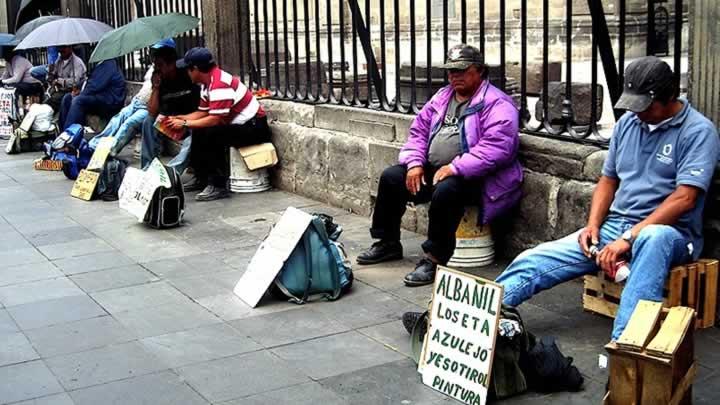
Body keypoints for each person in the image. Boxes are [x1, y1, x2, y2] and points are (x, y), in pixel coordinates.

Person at [491, 56, 719, 341]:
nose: (639, 113)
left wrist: (629, 239)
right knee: (535, 259)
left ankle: (626, 344)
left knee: (653, 237)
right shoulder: (627, 125)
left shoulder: (698, 132)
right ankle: (482, 312)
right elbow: (607, 181)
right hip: (618, 225)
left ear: (670, 96)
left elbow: (684, 198)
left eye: (645, 106)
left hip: (671, 233)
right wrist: (593, 226)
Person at [355, 44, 523, 287]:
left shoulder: (497, 104)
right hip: (438, 170)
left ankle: (434, 258)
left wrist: (456, 167)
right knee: (392, 177)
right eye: (451, 71)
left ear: (479, 71)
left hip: (480, 178)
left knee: (447, 191)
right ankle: (387, 242)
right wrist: (414, 163)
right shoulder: (442, 97)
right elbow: (418, 132)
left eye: (462, 71)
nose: (455, 76)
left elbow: (497, 147)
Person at [165, 47, 270, 201]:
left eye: (188, 69)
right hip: (241, 126)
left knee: (212, 132)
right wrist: (181, 119)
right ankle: (201, 176)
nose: (187, 74)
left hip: (255, 128)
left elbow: (215, 119)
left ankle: (218, 184)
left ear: (195, 69)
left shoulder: (220, 84)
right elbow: (202, 112)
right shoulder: (207, 84)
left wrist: (186, 123)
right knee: (200, 130)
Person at [139, 39, 200, 173]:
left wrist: (185, 122)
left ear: (171, 64)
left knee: (195, 136)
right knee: (147, 122)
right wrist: (155, 88)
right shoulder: (160, 80)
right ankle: (147, 167)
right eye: (155, 65)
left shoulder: (187, 74)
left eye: (160, 65)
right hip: (171, 122)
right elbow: (152, 112)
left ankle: (171, 173)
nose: (157, 69)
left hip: (191, 121)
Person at [88, 66, 152, 155]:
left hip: (148, 107)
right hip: (137, 101)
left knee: (129, 123)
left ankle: (109, 150)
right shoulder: (153, 68)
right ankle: (94, 145)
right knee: (117, 119)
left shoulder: (166, 73)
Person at [59, 58, 125, 130]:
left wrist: (81, 93)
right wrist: (78, 89)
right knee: (67, 98)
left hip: (110, 102)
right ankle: (63, 133)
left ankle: (68, 136)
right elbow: (90, 81)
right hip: (100, 97)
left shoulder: (108, 64)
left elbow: (94, 86)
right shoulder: (102, 64)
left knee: (78, 100)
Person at [44, 45, 87, 111]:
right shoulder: (59, 60)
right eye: (60, 48)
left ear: (70, 48)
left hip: (73, 92)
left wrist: (59, 81)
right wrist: (50, 73)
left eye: (64, 48)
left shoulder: (77, 62)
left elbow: (75, 82)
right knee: (47, 98)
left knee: (50, 103)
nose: (61, 50)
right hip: (60, 90)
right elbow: (52, 75)